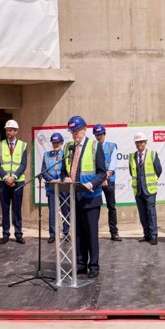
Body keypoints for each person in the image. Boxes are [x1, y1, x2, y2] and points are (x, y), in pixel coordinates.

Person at [61, 115, 106, 279]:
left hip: (91, 197)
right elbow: (63, 170)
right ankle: (80, 264)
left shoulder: (95, 146)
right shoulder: (68, 148)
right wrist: (65, 178)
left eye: (77, 131)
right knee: (78, 233)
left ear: (84, 129)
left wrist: (91, 184)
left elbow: (102, 173)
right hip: (74, 197)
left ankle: (93, 265)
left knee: (91, 233)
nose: (74, 135)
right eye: (72, 132)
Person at [0, 119, 28, 244]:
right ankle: (5, 234)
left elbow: (23, 164)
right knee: (5, 208)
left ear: (16, 131)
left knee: (17, 208)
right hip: (3, 182)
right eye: (7, 130)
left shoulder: (23, 145)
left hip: (18, 181)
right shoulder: (0, 145)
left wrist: (13, 177)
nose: (8, 132)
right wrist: (6, 178)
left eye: (11, 130)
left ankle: (18, 233)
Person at [129, 132, 163, 245]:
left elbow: (159, 170)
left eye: (141, 142)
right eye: (137, 142)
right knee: (142, 213)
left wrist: (150, 181)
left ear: (145, 143)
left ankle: (154, 235)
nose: (139, 144)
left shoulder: (152, 154)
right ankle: (146, 234)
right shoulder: (132, 157)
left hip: (149, 189)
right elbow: (131, 172)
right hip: (138, 190)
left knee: (151, 212)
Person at [92, 124, 121, 241]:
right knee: (95, 207)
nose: (99, 137)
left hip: (109, 181)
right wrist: (100, 179)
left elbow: (113, 164)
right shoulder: (92, 147)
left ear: (104, 134)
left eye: (100, 134)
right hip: (97, 182)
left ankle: (114, 233)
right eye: (97, 135)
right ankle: (93, 232)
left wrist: (105, 178)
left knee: (111, 207)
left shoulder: (112, 146)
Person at [41, 132, 69, 243]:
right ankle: (52, 234)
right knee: (52, 211)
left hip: (64, 187)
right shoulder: (46, 155)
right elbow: (43, 171)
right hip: (51, 187)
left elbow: (69, 170)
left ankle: (66, 233)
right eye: (53, 143)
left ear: (62, 143)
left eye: (57, 142)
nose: (55, 144)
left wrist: (61, 179)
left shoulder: (66, 155)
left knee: (65, 211)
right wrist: (51, 180)